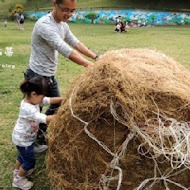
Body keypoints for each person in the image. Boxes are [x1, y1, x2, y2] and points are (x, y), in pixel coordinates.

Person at [25, 0, 99, 146]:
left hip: (50, 76)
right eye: (66, 10)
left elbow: (75, 43)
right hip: (37, 76)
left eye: (73, 10)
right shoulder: (44, 25)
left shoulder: (63, 25)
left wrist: (96, 57)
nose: (69, 14)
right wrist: (90, 65)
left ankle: (40, 131)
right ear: (55, 4)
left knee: (58, 105)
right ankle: (27, 145)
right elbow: (66, 50)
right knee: (33, 112)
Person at [12, 76, 63, 190]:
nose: (43, 99)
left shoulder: (34, 100)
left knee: (22, 156)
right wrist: (62, 115)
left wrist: (64, 99)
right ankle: (18, 180)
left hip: (23, 138)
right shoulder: (27, 108)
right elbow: (44, 118)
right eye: (42, 96)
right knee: (30, 161)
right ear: (34, 94)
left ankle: (17, 171)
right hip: (23, 140)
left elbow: (49, 100)